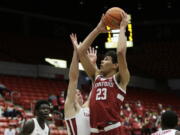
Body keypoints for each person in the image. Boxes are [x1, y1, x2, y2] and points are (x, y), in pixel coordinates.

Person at [71, 10, 130, 134]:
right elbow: (80, 51)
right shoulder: (96, 76)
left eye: (106, 60)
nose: (102, 62)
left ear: (115, 65)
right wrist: (97, 29)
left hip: (113, 129)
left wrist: (122, 27)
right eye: (102, 60)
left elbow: (120, 52)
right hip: (94, 131)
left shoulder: (121, 78)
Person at [64, 36, 97, 135]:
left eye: (79, 91)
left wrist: (93, 65)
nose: (78, 92)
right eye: (76, 92)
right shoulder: (70, 108)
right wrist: (76, 53)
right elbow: (73, 78)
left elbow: (97, 84)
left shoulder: (86, 107)